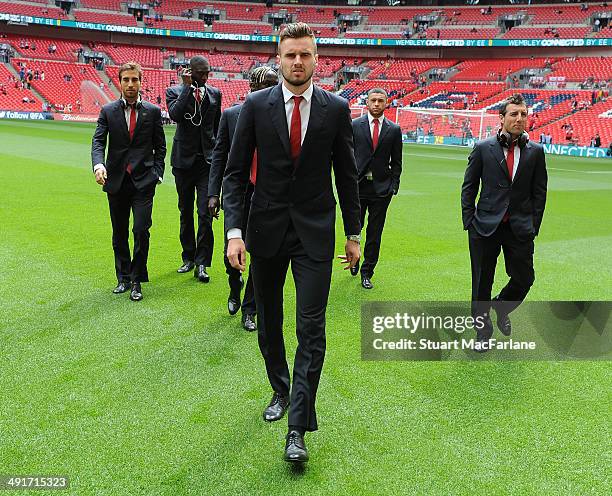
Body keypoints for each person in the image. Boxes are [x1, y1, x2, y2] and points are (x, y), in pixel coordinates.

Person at [222, 22, 360, 463]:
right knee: (269, 322)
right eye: (290, 55)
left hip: (315, 235)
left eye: (305, 54)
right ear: (278, 59)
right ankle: (280, 389)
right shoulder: (255, 106)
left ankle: (297, 427)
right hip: (264, 232)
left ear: (317, 59)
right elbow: (234, 173)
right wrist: (235, 233)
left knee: (311, 329)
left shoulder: (336, 109)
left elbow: (347, 176)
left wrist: (354, 234)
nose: (297, 62)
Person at [461, 93, 547, 351]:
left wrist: (533, 225)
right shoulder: (482, 148)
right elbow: (468, 187)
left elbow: (539, 193)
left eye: (523, 114)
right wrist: (470, 221)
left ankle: (502, 306)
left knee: (524, 279)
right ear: (501, 118)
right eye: (514, 114)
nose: (519, 118)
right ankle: (482, 333)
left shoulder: (536, 152)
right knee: (481, 283)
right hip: (484, 226)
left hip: (519, 228)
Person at [208, 66, 279, 332]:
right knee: (232, 252)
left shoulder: (281, 116)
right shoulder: (231, 116)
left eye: (273, 85)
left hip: (267, 196)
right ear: (251, 87)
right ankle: (234, 285)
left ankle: (250, 309)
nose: (269, 91)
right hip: (239, 193)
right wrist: (213, 193)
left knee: (259, 255)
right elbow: (219, 157)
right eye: (264, 86)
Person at [91, 62, 166, 301]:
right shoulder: (108, 111)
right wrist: (98, 164)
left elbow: (160, 147)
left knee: (141, 230)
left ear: (141, 82)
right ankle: (123, 278)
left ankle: (137, 280)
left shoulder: (152, 112)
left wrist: (158, 173)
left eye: (135, 80)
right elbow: (98, 141)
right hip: (116, 181)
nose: (130, 85)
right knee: (119, 232)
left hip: (144, 182)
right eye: (126, 80)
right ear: (120, 82)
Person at [166, 56, 221, 282]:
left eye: (208, 73)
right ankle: (188, 257)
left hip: (206, 163)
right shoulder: (175, 92)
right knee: (185, 212)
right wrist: (188, 88)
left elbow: (217, 127)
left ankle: (202, 263)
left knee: (205, 213)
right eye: (201, 73)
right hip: (183, 162)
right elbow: (175, 115)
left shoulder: (215, 94)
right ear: (190, 72)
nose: (205, 77)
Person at [350, 88, 402, 289]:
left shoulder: (394, 129)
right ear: (367, 102)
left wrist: (393, 186)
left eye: (381, 100)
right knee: (355, 228)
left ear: (386, 103)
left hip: (382, 190)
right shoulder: (354, 125)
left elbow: (397, 161)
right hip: (358, 187)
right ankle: (354, 258)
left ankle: (367, 271)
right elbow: (347, 155)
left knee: (375, 232)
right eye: (373, 100)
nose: (377, 104)